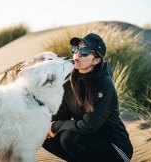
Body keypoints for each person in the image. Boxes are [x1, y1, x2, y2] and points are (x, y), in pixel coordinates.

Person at [42, 33, 133, 162]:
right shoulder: (69, 83)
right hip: (88, 140)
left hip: (115, 148)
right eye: (75, 49)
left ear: (97, 60)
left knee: (69, 138)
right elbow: (59, 116)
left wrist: (56, 125)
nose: (77, 54)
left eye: (84, 51)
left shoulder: (104, 84)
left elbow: (89, 125)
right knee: (43, 135)